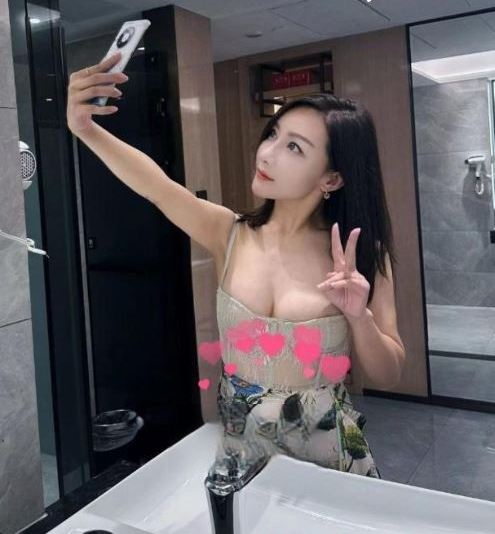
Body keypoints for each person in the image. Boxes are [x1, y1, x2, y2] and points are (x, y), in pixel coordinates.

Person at [67, 52, 405, 480]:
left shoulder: (360, 256)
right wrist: (86, 129)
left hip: (329, 459)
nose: (266, 154)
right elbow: (157, 186)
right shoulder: (229, 232)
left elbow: (389, 374)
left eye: (294, 147)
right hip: (242, 453)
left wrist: (360, 318)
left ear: (332, 178)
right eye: (274, 134)